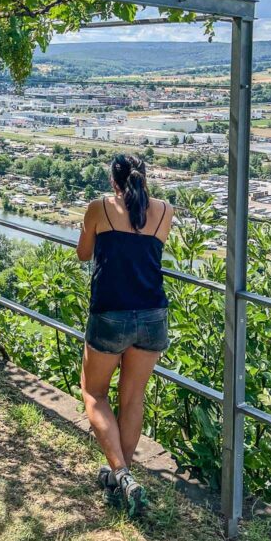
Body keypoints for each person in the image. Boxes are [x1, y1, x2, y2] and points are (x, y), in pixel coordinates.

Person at [76, 153, 173, 518]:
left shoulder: (98, 208)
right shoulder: (165, 211)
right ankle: (124, 479)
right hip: (152, 315)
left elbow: (84, 254)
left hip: (110, 314)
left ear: (113, 181)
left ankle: (120, 473)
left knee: (94, 392)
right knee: (132, 398)